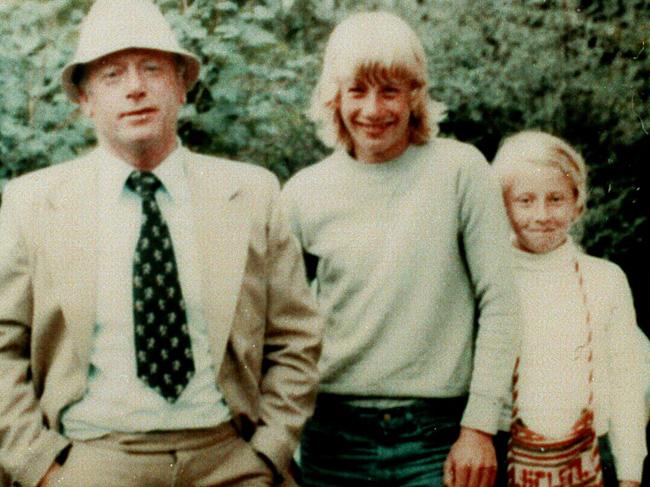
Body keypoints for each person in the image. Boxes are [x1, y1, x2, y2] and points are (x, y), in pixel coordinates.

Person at [0, 0, 323, 486]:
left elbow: (296, 338)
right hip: (92, 460)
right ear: (84, 99)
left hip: (228, 460)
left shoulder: (252, 195)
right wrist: (41, 466)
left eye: (152, 68)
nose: (135, 88)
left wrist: (269, 451)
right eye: (112, 75)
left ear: (180, 84)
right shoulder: (34, 203)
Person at [280, 11, 520, 487]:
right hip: (331, 434)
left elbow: (500, 303)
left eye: (390, 91)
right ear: (334, 97)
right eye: (358, 91)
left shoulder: (460, 171)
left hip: (439, 435)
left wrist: (479, 427)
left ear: (415, 95)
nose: (373, 110)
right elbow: (279, 325)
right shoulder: (303, 193)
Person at [491, 130, 647, 486]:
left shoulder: (605, 280)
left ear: (578, 202)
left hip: (590, 458)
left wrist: (630, 475)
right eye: (525, 200)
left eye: (556, 199)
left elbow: (627, 381)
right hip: (505, 457)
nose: (541, 214)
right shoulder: (490, 280)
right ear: (503, 205)